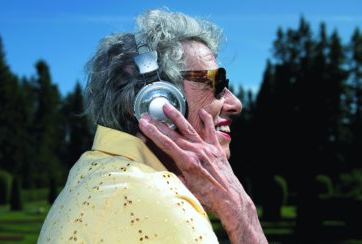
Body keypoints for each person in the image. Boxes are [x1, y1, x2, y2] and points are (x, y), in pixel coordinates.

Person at [38, 9, 267, 244]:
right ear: (155, 102)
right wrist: (242, 215)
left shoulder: (85, 175)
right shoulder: (163, 202)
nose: (235, 103)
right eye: (216, 83)